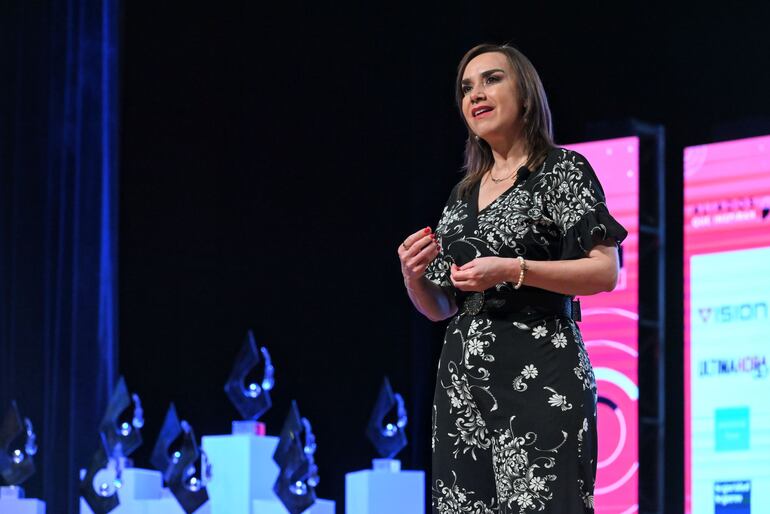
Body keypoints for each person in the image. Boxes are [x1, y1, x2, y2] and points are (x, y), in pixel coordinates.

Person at [397, 44, 628, 513]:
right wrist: (414, 276)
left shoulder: (562, 171)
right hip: (463, 388)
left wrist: (513, 269)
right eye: (466, 88)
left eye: (491, 80)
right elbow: (441, 307)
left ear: (525, 95)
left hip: (542, 376)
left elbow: (605, 271)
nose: (475, 95)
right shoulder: (462, 194)